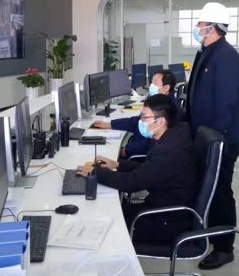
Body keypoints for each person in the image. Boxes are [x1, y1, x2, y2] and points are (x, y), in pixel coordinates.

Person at [77, 94, 196, 244]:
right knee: (106, 211)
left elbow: (131, 183)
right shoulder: (173, 136)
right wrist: (118, 164)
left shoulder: (169, 151)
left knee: (102, 228)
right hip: (162, 207)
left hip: (168, 221)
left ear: (160, 121)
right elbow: (149, 169)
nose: (140, 122)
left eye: (144, 118)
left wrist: (94, 172)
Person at [185, 2, 239, 270]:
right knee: (208, 188)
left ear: (212, 27)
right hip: (207, 136)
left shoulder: (226, 56)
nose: (196, 28)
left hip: (221, 139)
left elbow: (225, 104)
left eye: (200, 24)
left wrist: (213, 142)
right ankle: (210, 233)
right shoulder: (206, 51)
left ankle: (224, 248)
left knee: (220, 190)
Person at [92, 69, 185, 159]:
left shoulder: (170, 109)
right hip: (136, 146)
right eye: (152, 82)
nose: (151, 85)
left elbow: (151, 143)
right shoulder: (161, 102)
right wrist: (110, 124)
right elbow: (136, 121)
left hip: (140, 156)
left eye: (155, 83)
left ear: (166, 88)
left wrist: (125, 150)